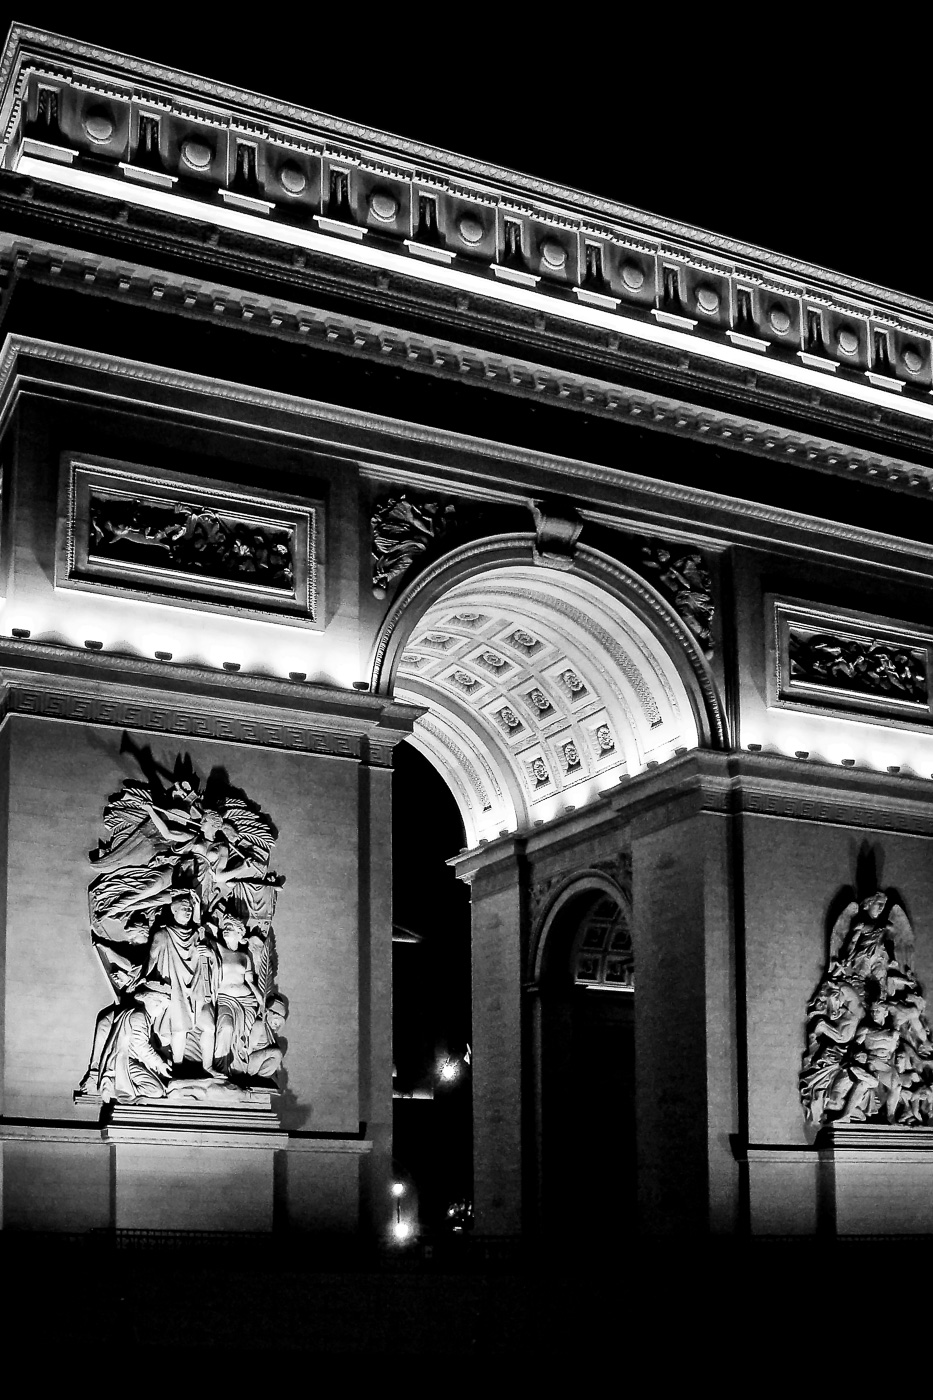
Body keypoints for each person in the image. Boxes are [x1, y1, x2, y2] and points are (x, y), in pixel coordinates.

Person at [142, 890, 219, 1071]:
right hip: (176, 987)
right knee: (179, 1028)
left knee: (209, 1026)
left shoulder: (199, 935)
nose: (188, 911)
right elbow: (150, 962)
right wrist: (141, 980)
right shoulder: (163, 935)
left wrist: (210, 954)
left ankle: (208, 1068)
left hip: (198, 988)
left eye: (190, 909)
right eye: (184, 908)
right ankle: (177, 1067)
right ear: (173, 911)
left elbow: (215, 963)